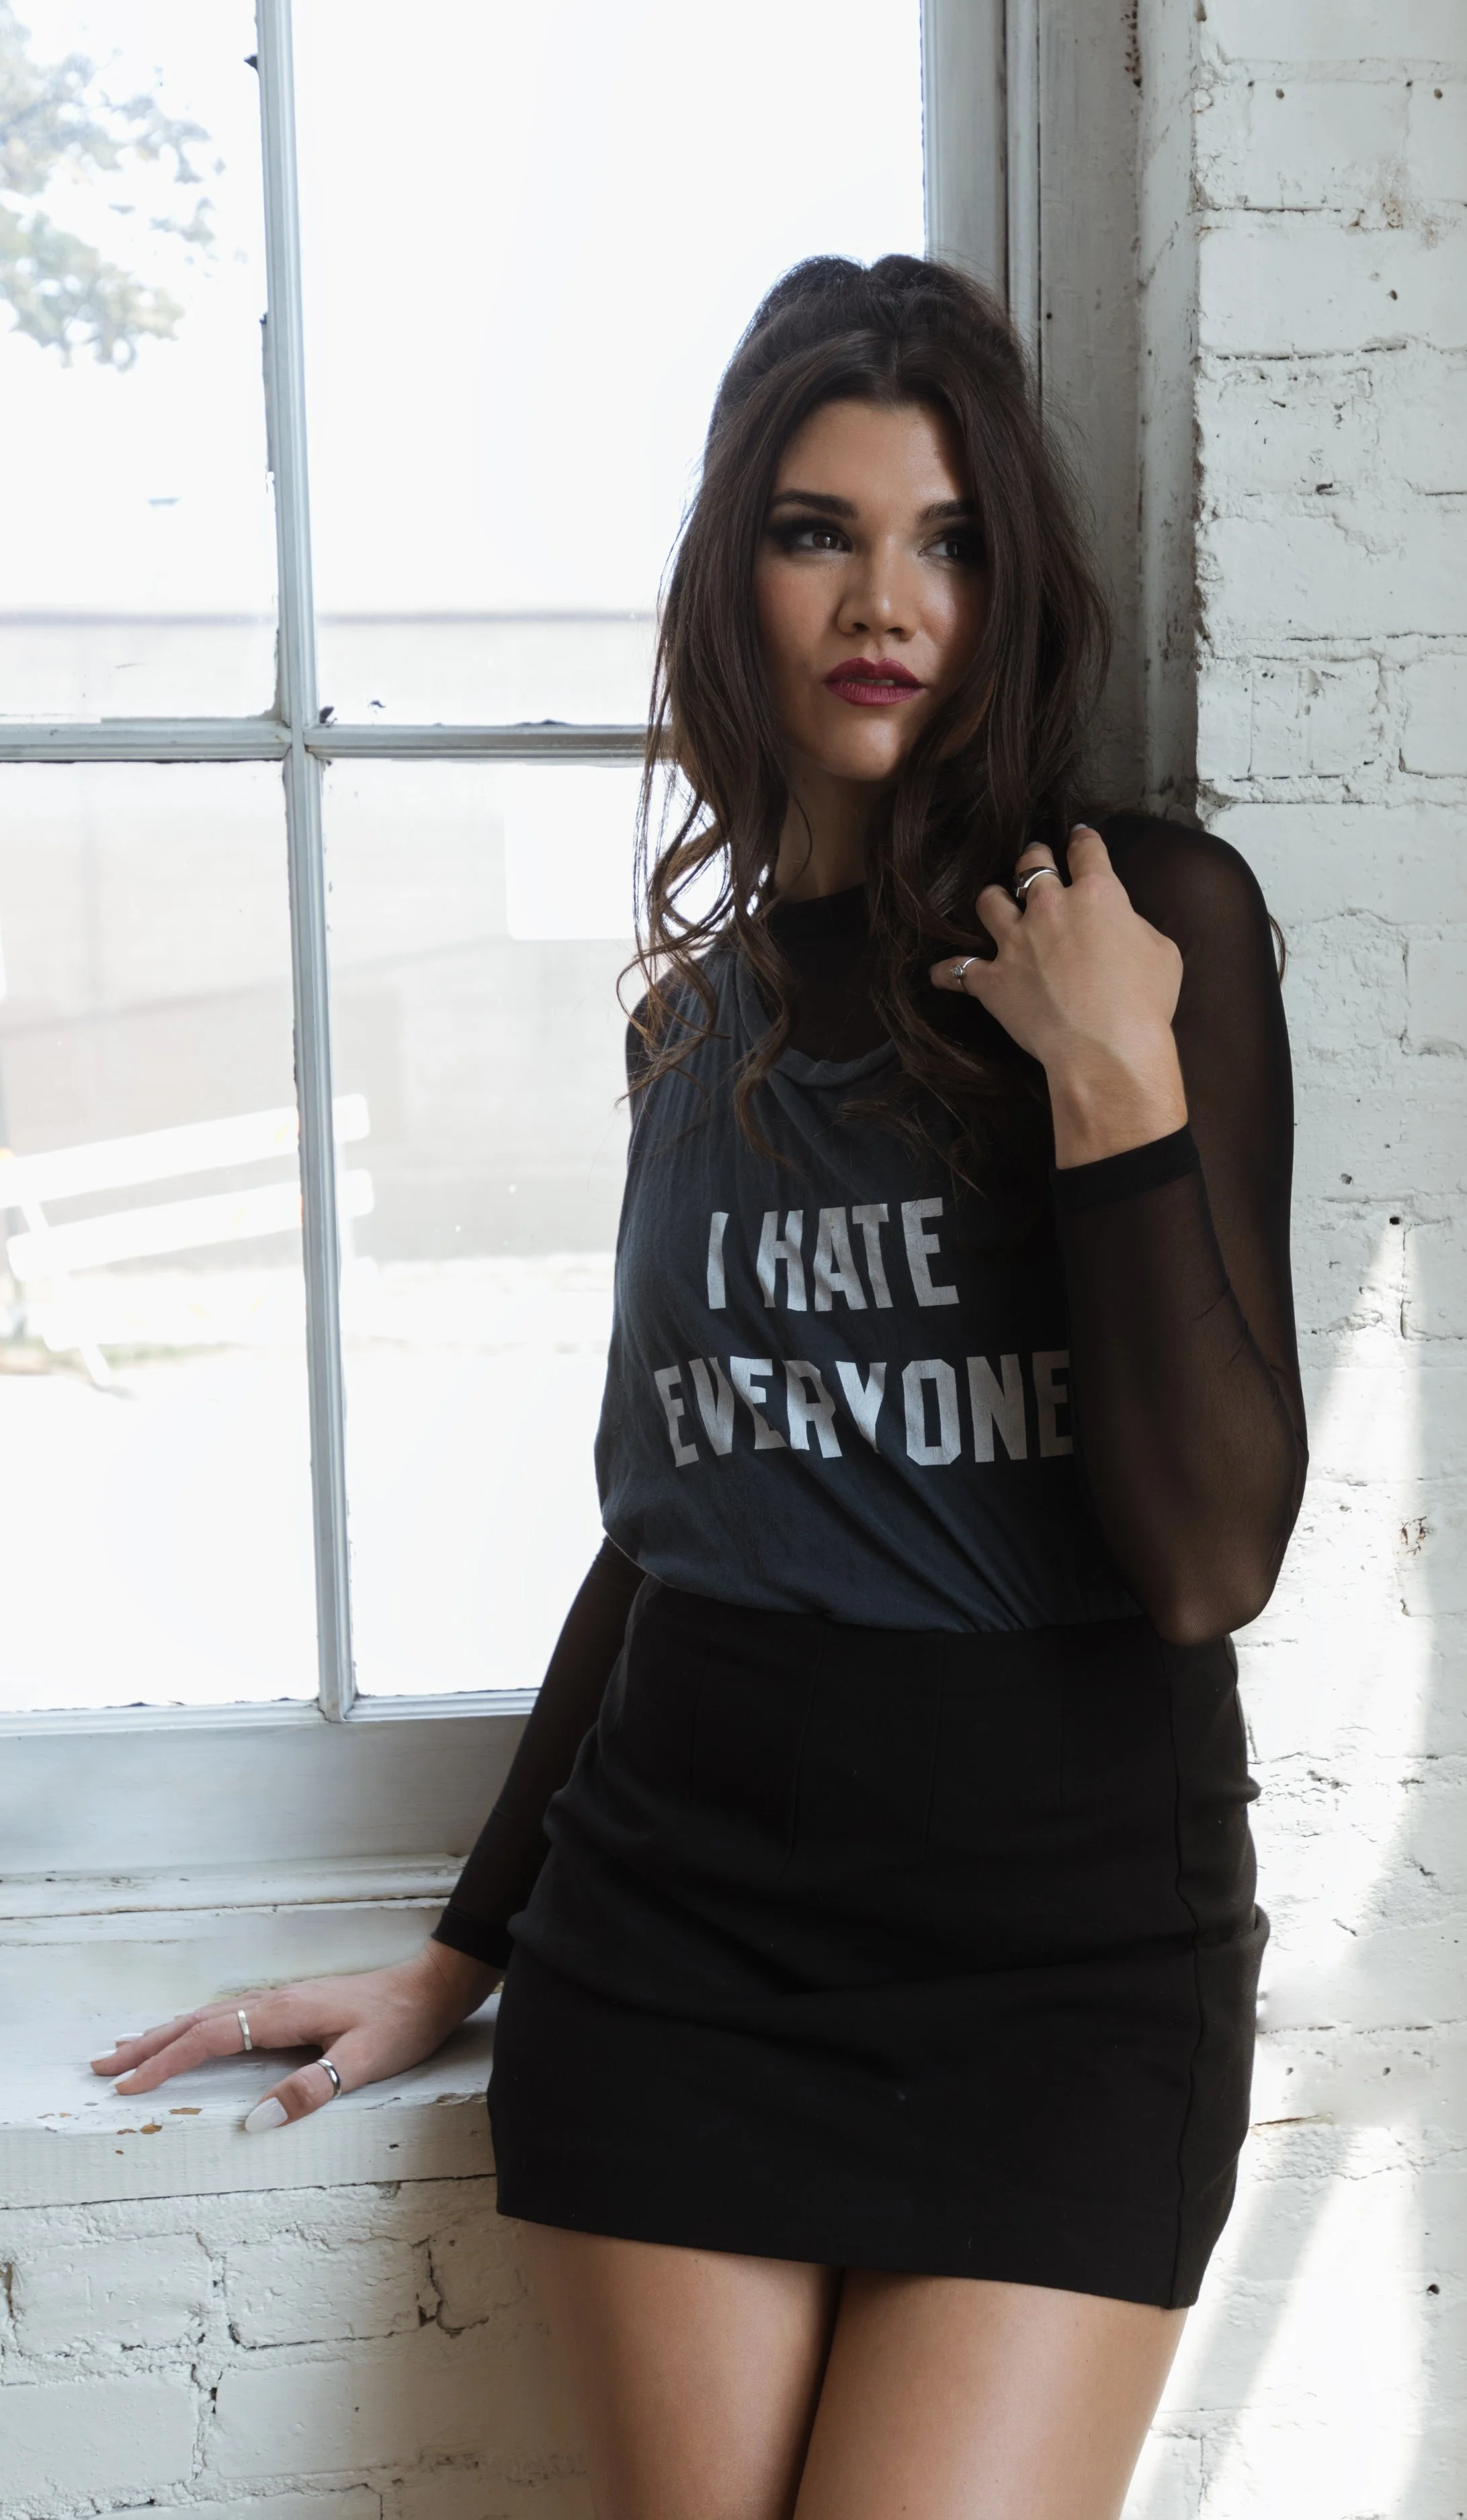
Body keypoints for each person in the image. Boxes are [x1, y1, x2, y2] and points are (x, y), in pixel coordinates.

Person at [96, 255, 1306, 2520]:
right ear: (731, 575)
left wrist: (1109, 1077)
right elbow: (676, 1533)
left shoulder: (1144, 920)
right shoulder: (697, 1026)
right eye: (814, 531)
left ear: (1011, 586)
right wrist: (462, 1948)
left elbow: (1208, 1557)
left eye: (947, 539)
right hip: (679, 1955)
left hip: (1065, 1969)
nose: (884, 601)